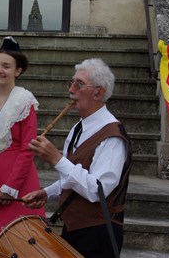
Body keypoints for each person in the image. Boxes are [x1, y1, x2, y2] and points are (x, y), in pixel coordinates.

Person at [23, 58, 132, 258]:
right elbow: (75, 177)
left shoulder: (112, 136)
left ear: (99, 92)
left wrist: (57, 159)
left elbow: (97, 189)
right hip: (74, 228)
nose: (71, 90)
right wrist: (48, 192)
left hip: (99, 234)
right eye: (71, 82)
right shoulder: (79, 127)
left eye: (79, 84)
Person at [0, 36, 45, 258]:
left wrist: (9, 188)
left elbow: (27, 148)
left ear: (18, 71)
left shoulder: (24, 100)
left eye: (6, 66)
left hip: (20, 181)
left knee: (24, 239)